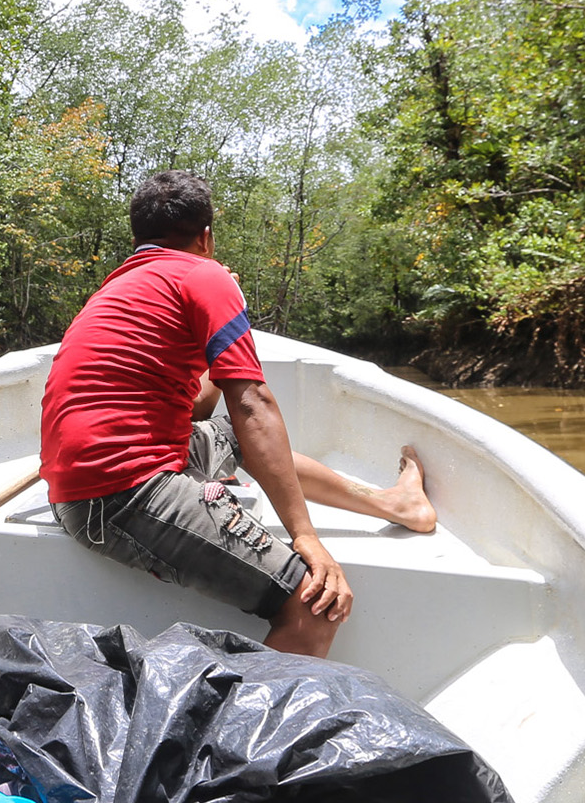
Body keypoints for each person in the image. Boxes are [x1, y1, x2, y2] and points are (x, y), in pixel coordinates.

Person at [39, 170, 437, 659]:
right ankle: (242, 734)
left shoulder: (117, 289)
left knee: (228, 435)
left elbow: (200, 406)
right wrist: (304, 536)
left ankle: (396, 506)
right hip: (123, 495)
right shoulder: (204, 276)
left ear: (138, 238)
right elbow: (252, 403)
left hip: (72, 493)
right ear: (206, 237)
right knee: (314, 604)